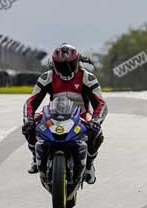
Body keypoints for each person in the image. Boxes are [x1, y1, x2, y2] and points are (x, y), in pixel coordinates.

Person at [22, 43, 107, 184]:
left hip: (81, 115)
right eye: (61, 65)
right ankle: (35, 158)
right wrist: (28, 119)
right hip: (52, 114)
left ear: (77, 62)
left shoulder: (88, 78)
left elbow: (101, 104)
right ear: (54, 64)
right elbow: (30, 102)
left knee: (97, 134)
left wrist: (96, 121)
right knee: (28, 128)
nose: (65, 69)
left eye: (69, 64)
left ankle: (89, 165)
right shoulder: (46, 77)